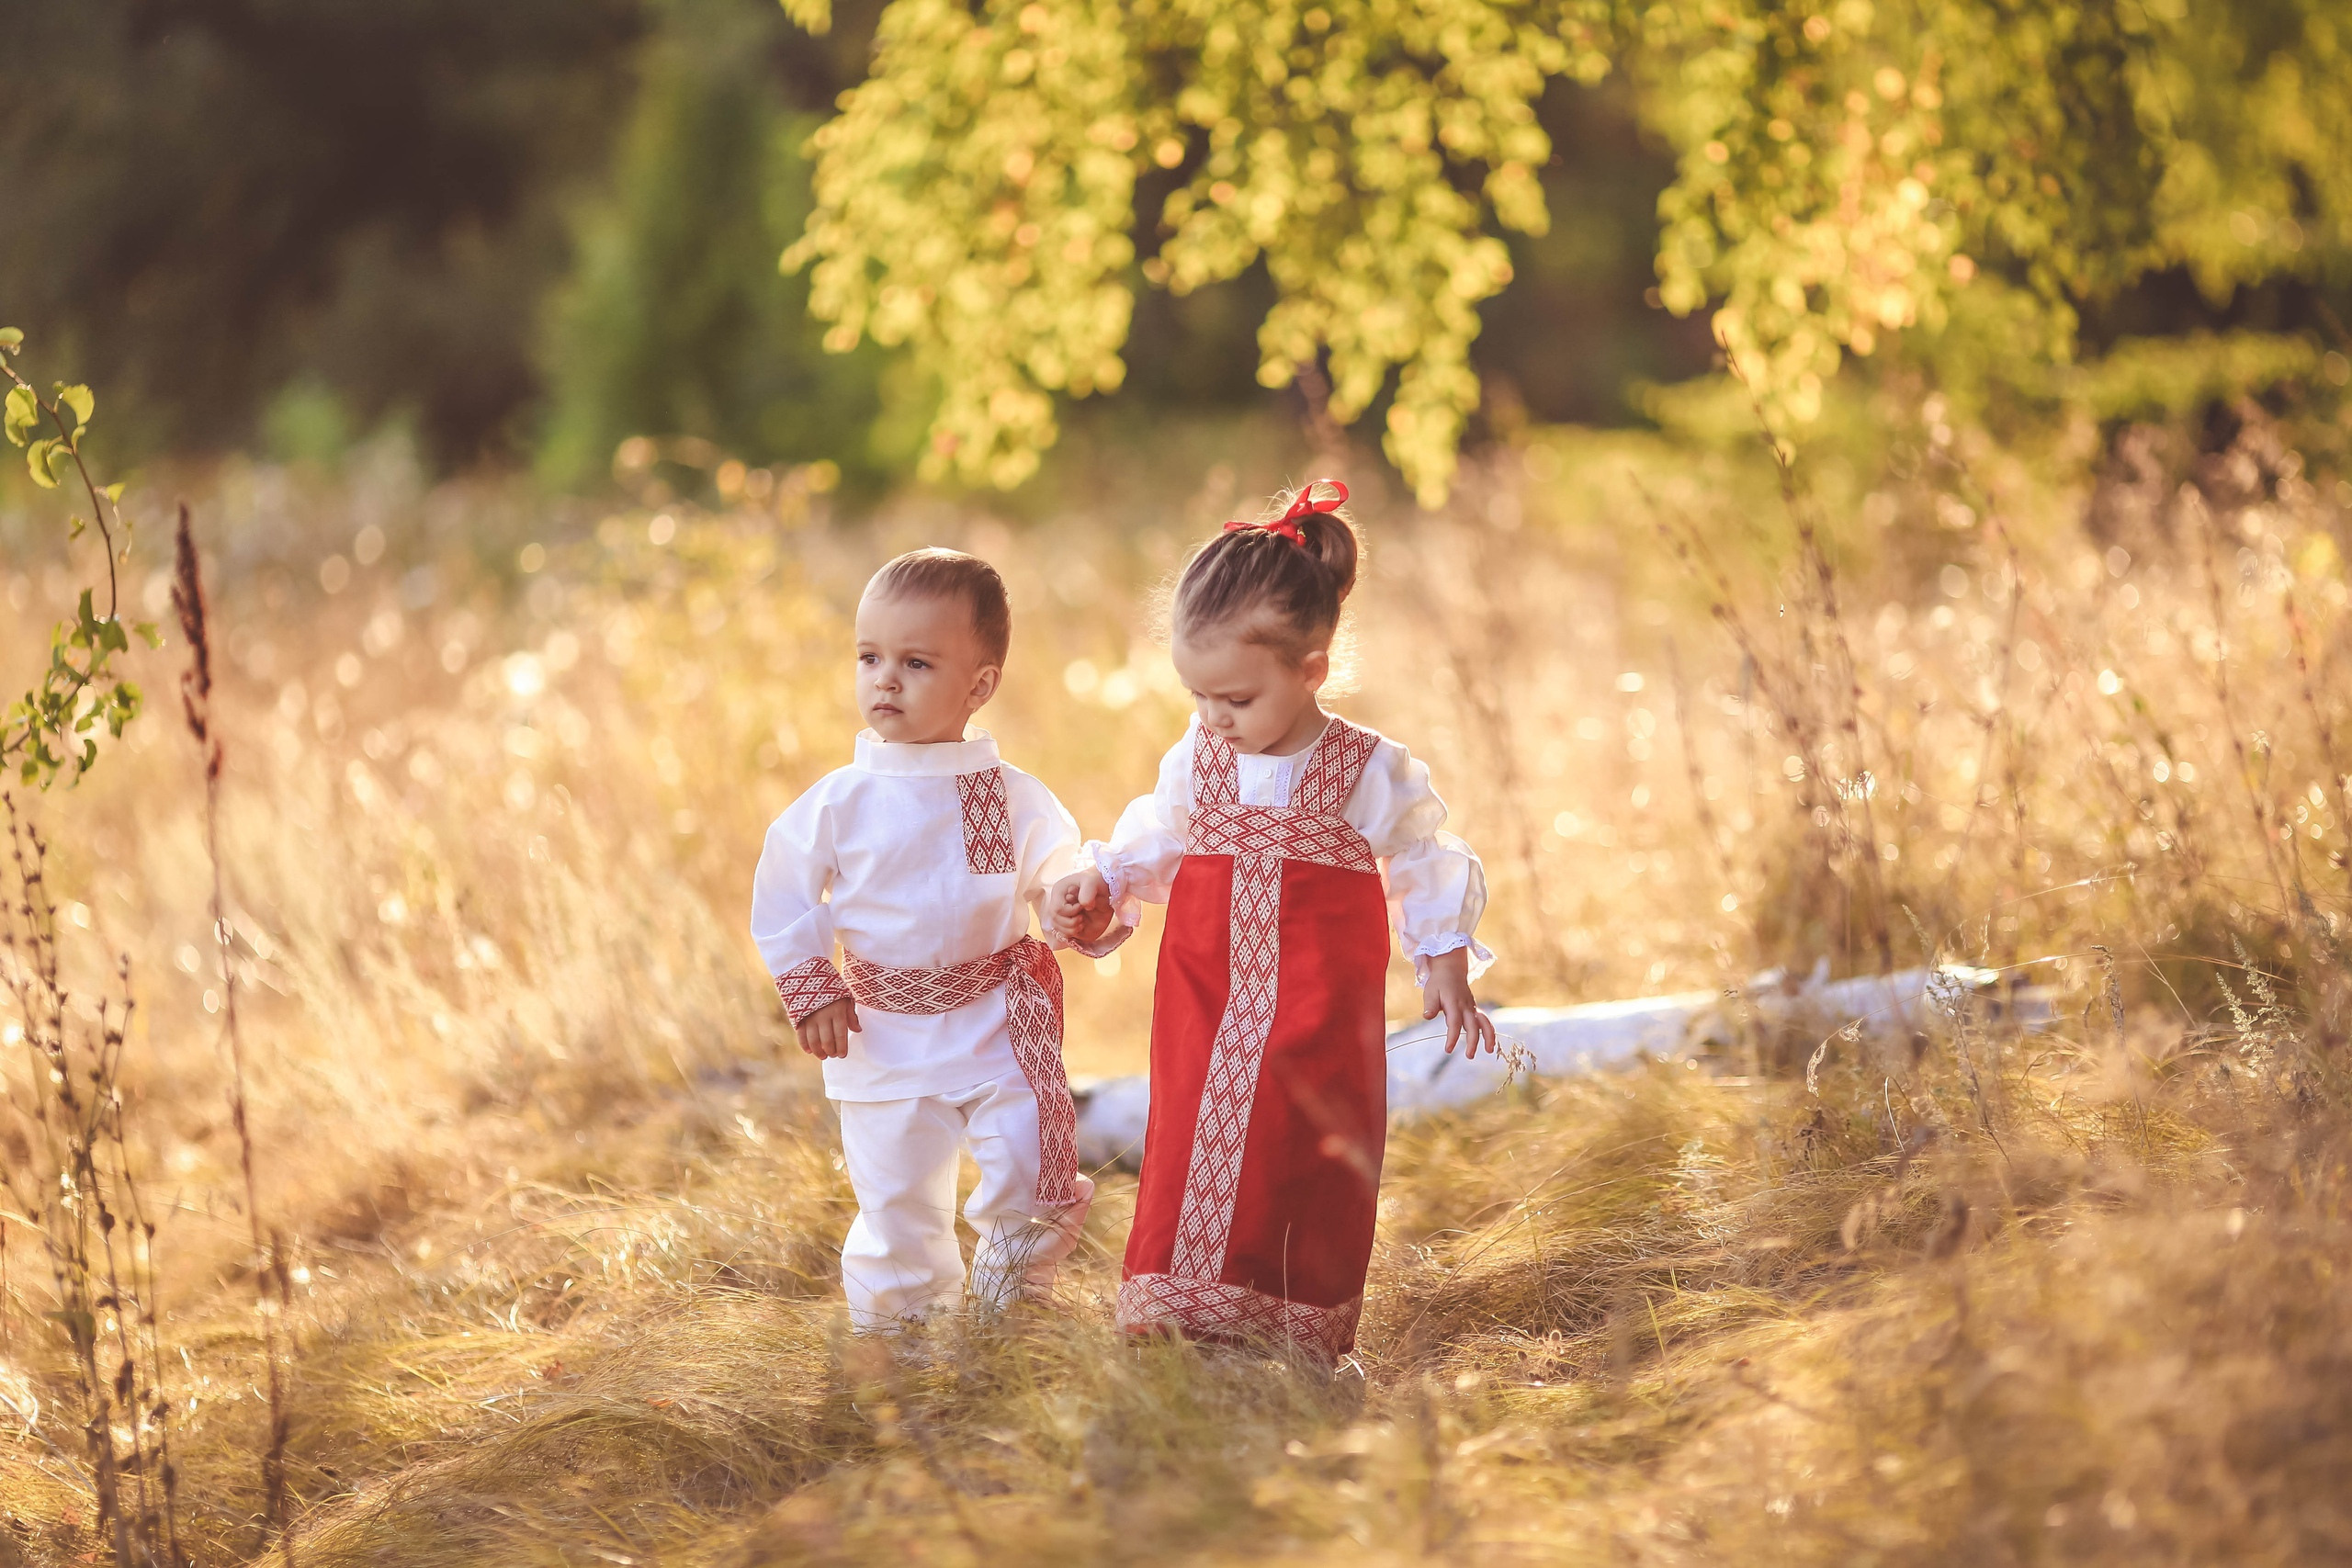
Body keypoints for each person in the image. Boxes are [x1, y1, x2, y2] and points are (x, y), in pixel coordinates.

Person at [1049, 479, 1497, 1359]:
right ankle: (1176, 1316)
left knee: (1305, 1150)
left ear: (1312, 668)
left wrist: (1442, 960)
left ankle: (1292, 1325)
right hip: (1208, 997)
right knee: (1189, 1139)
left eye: (1238, 699)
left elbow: (1420, 857)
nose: (1215, 718)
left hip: (1317, 1003)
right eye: (1199, 695)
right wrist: (1099, 885)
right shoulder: (1199, 757)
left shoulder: (1369, 770)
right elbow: (1155, 840)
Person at [752, 548, 1110, 1331]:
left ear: (978, 686)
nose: (885, 678)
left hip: (994, 1023)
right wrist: (812, 983)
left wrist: (1071, 906)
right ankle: (901, 1346)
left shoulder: (1008, 793)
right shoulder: (839, 802)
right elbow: (782, 890)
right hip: (879, 1034)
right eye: (869, 657)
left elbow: (1058, 869)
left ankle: (1011, 1310)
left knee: (1028, 1169)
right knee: (899, 1200)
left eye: (915, 662)